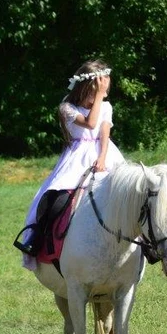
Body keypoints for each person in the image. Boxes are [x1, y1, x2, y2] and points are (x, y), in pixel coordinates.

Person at [16, 60, 124, 269]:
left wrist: (102, 158)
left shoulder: (105, 106)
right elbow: (91, 124)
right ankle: (36, 239)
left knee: (128, 193)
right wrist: (100, 97)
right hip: (76, 158)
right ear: (85, 88)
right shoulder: (67, 107)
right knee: (53, 196)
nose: (104, 95)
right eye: (99, 90)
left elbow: (103, 133)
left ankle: (145, 246)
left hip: (104, 153)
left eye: (105, 90)